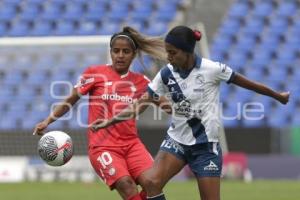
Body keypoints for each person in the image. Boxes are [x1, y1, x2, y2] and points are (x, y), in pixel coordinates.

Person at [90, 25, 290, 200]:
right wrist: (110, 121)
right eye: (168, 52)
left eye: (173, 52)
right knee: (151, 182)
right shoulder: (167, 73)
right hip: (176, 142)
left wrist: (277, 96)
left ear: (187, 52)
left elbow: (249, 84)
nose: (169, 57)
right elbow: (140, 104)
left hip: (205, 147)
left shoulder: (212, 69)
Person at [33, 26, 171, 200]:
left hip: (132, 144)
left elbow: (166, 105)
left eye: (125, 51)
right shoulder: (95, 73)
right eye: (116, 51)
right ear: (111, 52)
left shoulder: (141, 81)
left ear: (133, 54)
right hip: (103, 147)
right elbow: (71, 99)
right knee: (126, 185)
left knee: (153, 183)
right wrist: (48, 121)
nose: (120, 55)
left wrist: (188, 113)